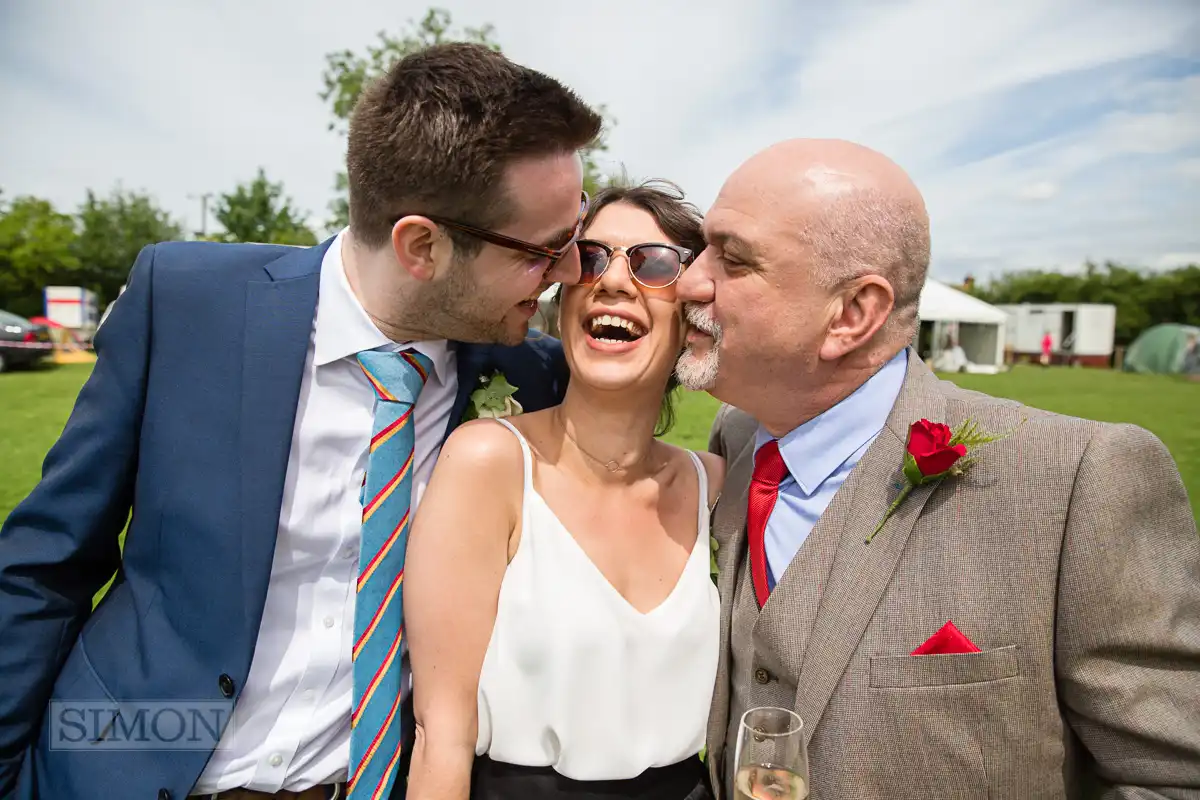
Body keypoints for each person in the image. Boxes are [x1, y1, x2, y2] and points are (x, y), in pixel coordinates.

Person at [0, 43, 602, 800]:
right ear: (423, 245)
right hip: (129, 770)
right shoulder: (185, 304)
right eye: (547, 252)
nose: (573, 273)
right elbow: (46, 562)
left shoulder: (530, 376)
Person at [674, 138, 1200, 799]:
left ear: (852, 315)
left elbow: (1172, 777)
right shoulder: (737, 438)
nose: (691, 279)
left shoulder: (1081, 480)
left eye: (734, 259)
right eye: (702, 249)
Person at [401, 181, 724, 800]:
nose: (612, 281)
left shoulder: (712, 485)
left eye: (654, 264)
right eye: (592, 258)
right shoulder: (489, 461)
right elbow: (440, 733)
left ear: (692, 314)